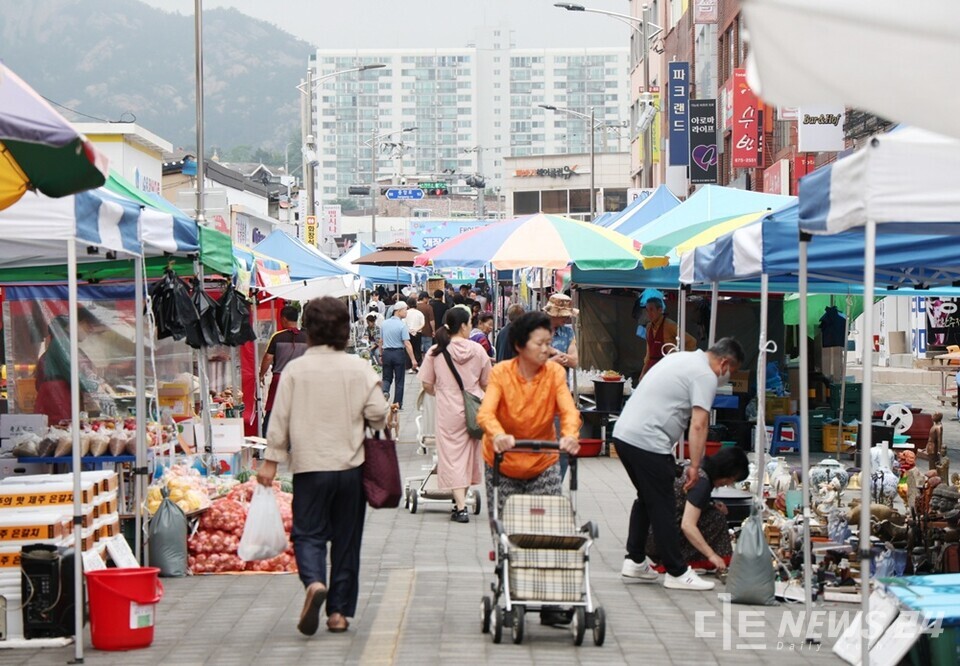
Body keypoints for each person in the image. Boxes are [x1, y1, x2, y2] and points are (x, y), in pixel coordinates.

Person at [257, 297, 395, 636]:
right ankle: (338, 614)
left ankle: (314, 582)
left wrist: (270, 462)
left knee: (308, 534)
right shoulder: (358, 367)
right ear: (344, 329)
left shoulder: (295, 370)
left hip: (309, 467)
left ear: (310, 328)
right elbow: (378, 413)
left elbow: (279, 419)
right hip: (351, 468)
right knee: (347, 541)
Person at [613, 337, 745, 591]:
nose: (728, 376)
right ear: (725, 362)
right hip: (648, 440)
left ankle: (635, 559)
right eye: (733, 371)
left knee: (647, 498)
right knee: (663, 503)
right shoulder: (705, 375)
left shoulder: (682, 358)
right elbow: (699, 423)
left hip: (625, 434)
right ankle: (676, 571)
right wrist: (695, 466)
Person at [476, 311, 582, 627]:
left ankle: (551, 601)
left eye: (549, 343)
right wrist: (499, 435)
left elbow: (569, 411)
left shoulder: (554, 374)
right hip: (503, 461)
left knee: (549, 530)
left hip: (542, 461)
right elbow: (486, 413)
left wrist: (571, 437)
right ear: (521, 345)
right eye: (540, 343)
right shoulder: (501, 374)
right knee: (507, 532)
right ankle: (511, 593)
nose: (547, 349)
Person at [419, 306, 492, 522]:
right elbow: (487, 382)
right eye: (470, 323)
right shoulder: (478, 350)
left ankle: (460, 506)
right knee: (469, 456)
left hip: (447, 410)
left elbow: (426, 383)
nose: (471, 327)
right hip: (474, 408)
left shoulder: (436, 351)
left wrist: (441, 392)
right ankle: (461, 501)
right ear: (463, 326)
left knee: (452, 457)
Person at [645, 447, 750, 571]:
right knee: (717, 518)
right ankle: (682, 560)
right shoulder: (702, 483)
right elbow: (688, 525)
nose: (728, 484)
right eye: (732, 479)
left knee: (714, 513)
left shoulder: (699, 469)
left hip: (652, 529)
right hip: (660, 537)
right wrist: (711, 555)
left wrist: (710, 505)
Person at [34, 310, 100, 424]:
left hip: (61, 394)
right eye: (88, 324)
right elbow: (72, 371)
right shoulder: (62, 342)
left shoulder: (66, 342)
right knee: (60, 430)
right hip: (57, 395)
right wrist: (93, 386)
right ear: (76, 323)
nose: (91, 330)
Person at [258, 305, 308, 436]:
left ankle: (266, 439)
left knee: (273, 409)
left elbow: (268, 357)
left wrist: (261, 375)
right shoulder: (307, 337)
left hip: (280, 378)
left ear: (284, 319)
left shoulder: (277, 337)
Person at [639, 297, 697, 380]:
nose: (649, 313)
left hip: (667, 369)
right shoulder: (648, 327)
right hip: (652, 369)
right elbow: (649, 354)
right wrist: (643, 373)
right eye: (647, 310)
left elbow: (692, 341)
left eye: (651, 310)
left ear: (660, 310)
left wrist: (680, 359)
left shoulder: (669, 325)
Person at [380, 301, 418, 409]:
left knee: (386, 377)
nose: (406, 312)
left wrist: (381, 355)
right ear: (399, 310)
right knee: (399, 379)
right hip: (398, 353)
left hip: (387, 352)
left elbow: (381, 341)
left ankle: (385, 391)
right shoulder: (402, 325)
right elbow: (407, 343)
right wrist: (413, 359)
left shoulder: (384, 323)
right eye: (405, 310)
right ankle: (397, 403)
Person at [543, 293, 579, 373]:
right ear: (553, 314)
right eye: (564, 315)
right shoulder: (535, 332)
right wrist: (552, 362)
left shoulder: (568, 332)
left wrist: (556, 352)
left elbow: (574, 362)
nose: (567, 318)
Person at [404, 297, 426, 371]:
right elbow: (423, 324)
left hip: (407, 333)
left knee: (408, 349)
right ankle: (418, 365)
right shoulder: (419, 313)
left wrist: (410, 330)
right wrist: (416, 330)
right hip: (417, 333)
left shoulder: (406, 313)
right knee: (417, 349)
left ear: (408, 304)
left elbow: (403, 323)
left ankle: (409, 366)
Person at [415, 291, 436, 362]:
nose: (428, 300)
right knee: (428, 350)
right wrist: (433, 331)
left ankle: (419, 363)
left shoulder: (415, 307)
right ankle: (427, 364)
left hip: (416, 332)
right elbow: (431, 321)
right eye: (427, 299)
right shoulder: (428, 307)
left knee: (418, 349)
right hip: (427, 332)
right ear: (424, 298)